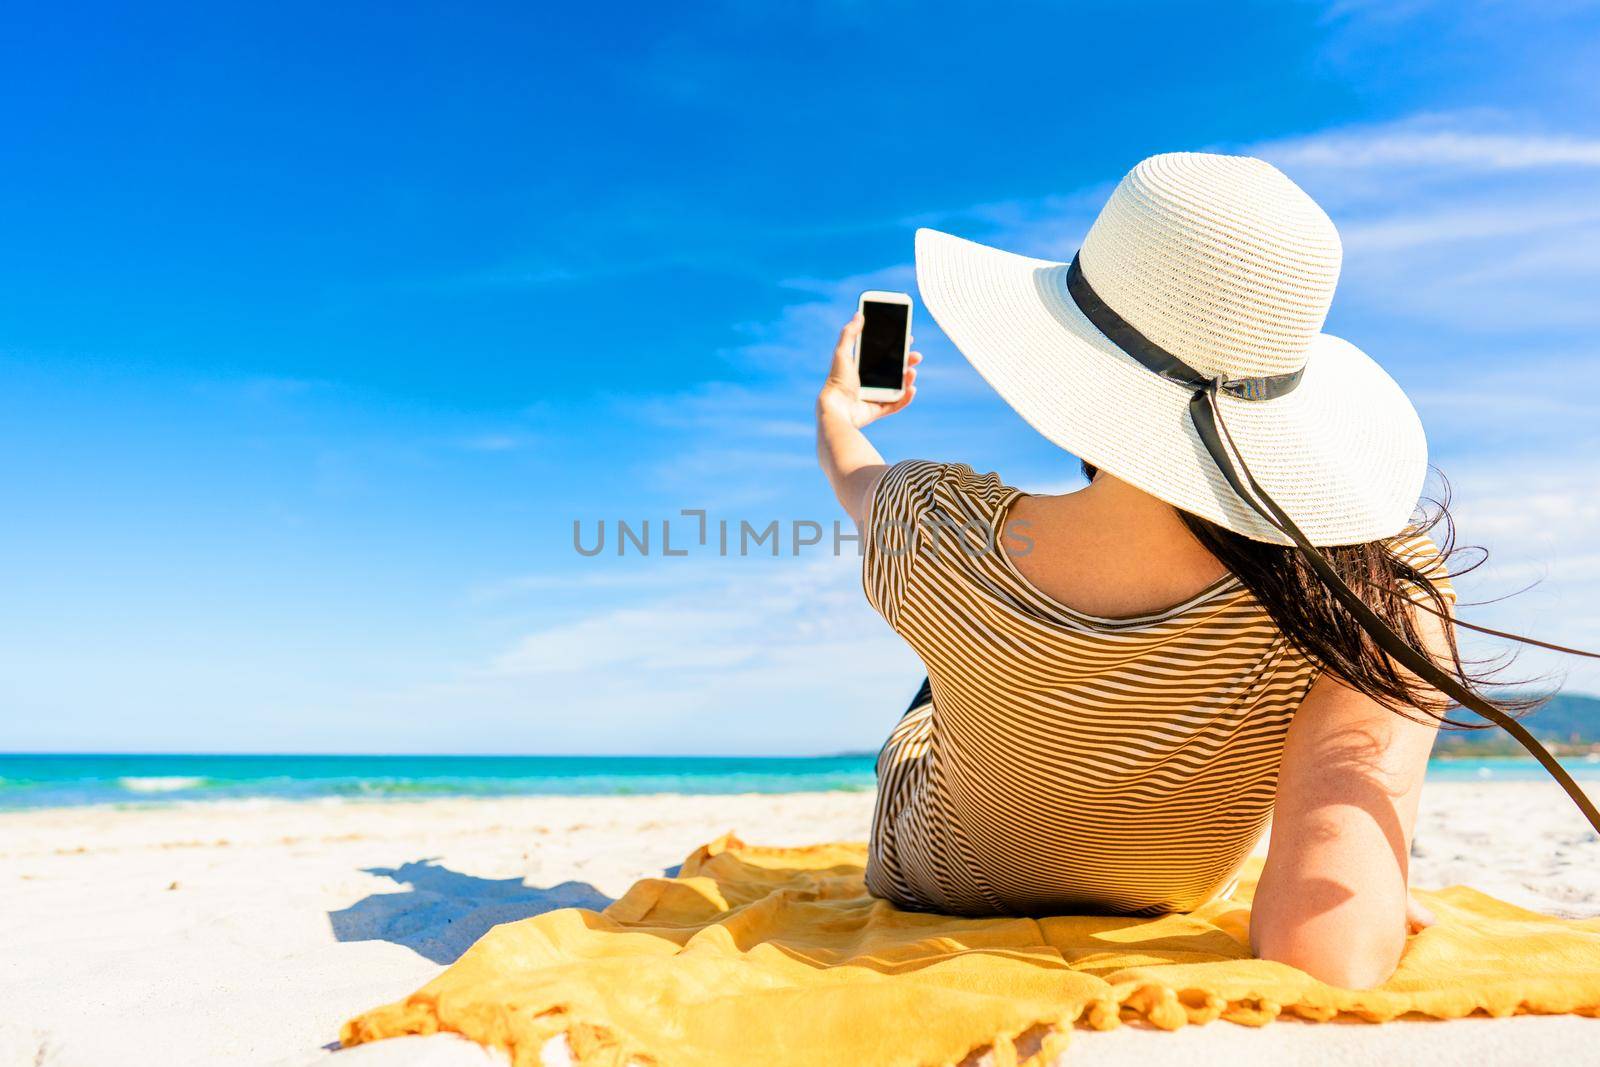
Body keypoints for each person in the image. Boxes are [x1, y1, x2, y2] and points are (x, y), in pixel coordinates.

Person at [813, 153, 1497, 989]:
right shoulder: (1381, 589)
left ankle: (975, 660)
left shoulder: (936, 522)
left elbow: (854, 476)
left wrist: (842, 411)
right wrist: (1369, 893)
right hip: (1166, 891)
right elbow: (1329, 955)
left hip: (936, 879)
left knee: (938, 678)